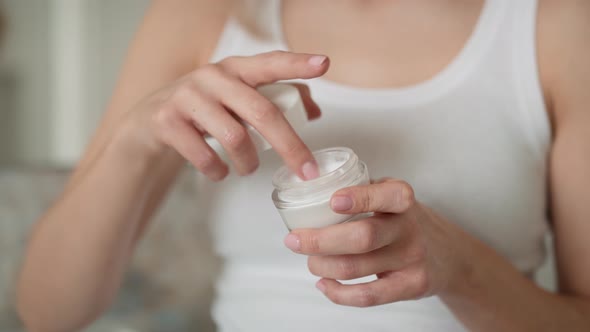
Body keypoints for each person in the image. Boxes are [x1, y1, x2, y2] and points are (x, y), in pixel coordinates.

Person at [16, 0, 590, 331]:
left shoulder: (556, 24)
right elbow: (47, 312)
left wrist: (460, 270)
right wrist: (137, 139)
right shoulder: (202, 14)